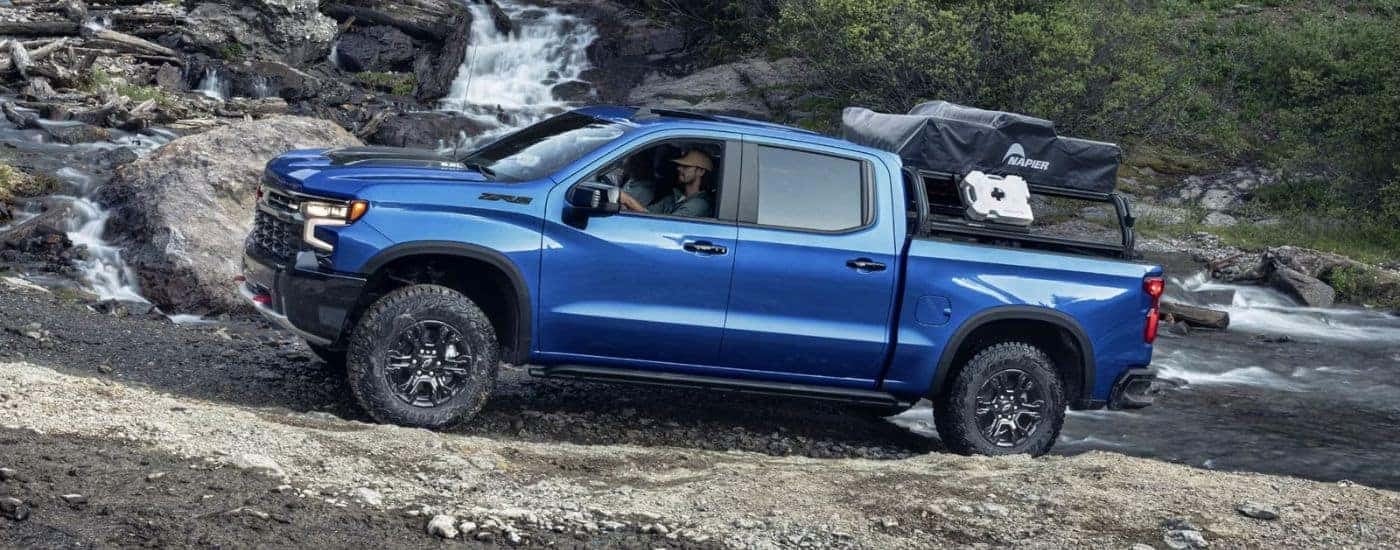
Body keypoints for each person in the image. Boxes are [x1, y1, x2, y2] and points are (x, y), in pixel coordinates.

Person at [647, 149, 715, 218]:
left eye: (686, 166)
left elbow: (668, 225)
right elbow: (646, 213)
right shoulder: (675, 197)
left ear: (701, 171)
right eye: (680, 165)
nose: (679, 168)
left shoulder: (699, 205)